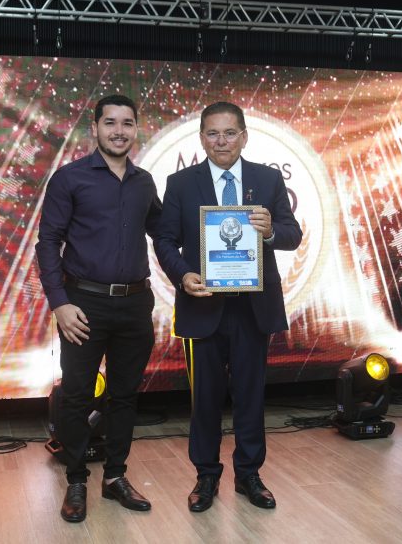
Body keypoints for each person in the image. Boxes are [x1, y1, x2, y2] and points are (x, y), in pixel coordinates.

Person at [154, 101, 302, 512]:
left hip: (253, 308)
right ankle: (206, 476)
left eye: (230, 133)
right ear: (202, 138)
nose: (222, 141)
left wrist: (270, 231)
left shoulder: (267, 179)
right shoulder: (180, 183)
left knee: (250, 396)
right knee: (205, 398)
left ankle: (249, 475)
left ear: (244, 136)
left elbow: (292, 234)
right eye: (213, 133)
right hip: (203, 305)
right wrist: (183, 274)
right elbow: (164, 240)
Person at [36, 94, 161, 523]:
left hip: (135, 304)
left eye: (127, 123)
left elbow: (165, 231)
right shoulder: (69, 179)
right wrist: (60, 303)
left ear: (136, 129)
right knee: (76, 396)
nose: (119, 131)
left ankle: (115, 477)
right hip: (83, 305)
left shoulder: (145, 182)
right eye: (110, 122)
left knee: (125, 396)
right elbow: (47, 244)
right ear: (95, 128)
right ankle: (76, 480)